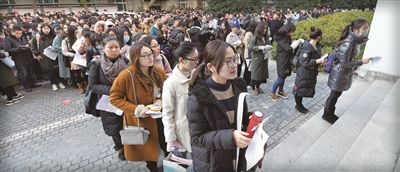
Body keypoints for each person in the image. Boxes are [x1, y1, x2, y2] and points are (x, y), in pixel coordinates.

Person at [187, 40, 256, 172]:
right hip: (215, 162)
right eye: (228, 61)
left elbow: (237, 118)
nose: (234, 65)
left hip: (239, 156)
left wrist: (251, 119)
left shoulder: (239, 86)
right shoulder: (198, 97)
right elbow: (197, 138)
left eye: (234, 59)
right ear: (211, 67)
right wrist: (230, 137)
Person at [110, 43, 167, 172]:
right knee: (149, 151)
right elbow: (114, 98)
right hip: (142, 120)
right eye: (145, 55)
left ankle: (172, 166)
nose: (150, 57)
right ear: (136, 58)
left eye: (150, 54)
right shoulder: (127, 75)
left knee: (167, 144)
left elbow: (167, 91)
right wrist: (135, 109)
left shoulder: (158, 71)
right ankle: (153, 168)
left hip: (161, 116)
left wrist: (160, 100)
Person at [88, 37, 129, 161]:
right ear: (103, 49)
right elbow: (93, 85)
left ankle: (130, 146)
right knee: (114, 127)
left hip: (125, 99)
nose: (114, 50)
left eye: (116, 47)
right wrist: (113, 90)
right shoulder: (96, 64)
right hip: (108, 102)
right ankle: (120, 148)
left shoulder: (125, 61)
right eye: (110, 47)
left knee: (126, 123)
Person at [323, 19, 371, 124]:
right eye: (364, 28)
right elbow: (345, 63)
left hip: (343, 72)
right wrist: (361, 62)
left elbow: (347, 61)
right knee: (334, 95)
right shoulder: (348, 43)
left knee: (336, 94)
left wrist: (353, 70)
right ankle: (327, 115)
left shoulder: (354, 41)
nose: (366, 31)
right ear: (355, 29)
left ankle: (329, 113)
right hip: (339, 73)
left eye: (367, 28)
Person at [162, 41, 198, 155]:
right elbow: (167, 113)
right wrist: (171, 138)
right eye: (194, 59)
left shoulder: (197, 75)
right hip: (182, 133)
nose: (197, 62)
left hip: (198, 128)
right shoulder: (170, 83)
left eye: (198, 59)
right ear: (182, 60)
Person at [293, 27, 325, 113]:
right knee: (299, 90)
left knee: (304, 89)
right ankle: (298, 106)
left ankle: (299, 105)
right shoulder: (306, 47)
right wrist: (317, 61)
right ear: (318, 36)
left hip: (311, 73)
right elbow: (305, 63)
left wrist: (321, 61)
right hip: (304, 73)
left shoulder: (317, 45)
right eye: (321, 35)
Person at [270, 22, 303, 101]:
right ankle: (272, 93)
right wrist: (295, 44)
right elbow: (288, 49)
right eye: (292, 31)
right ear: (288, 30)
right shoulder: (281, 37)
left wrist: (295, 42)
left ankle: (280, 91)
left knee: (283, 76)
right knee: (281, 77)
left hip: (286, 59)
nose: (293, 33)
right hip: (282, 60)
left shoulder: (286, 36)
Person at [3, 26, 35, 92]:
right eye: (17, 33)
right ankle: (26, 87)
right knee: (24, 73)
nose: (19, 35)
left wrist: (28, 46)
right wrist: (19, 49)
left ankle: (32, 84)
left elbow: (27, 44)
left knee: (30, 72)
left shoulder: (23, 37)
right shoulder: (8, 39)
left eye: (20, 33)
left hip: (27, 57)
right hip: (18, 59)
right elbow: (7, 49)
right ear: (12, 32)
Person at [249, 21, 272, 96]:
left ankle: (258, 87)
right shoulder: (255, 37)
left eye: (266, 28)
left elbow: (268, 43)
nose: (265, 30)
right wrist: (260, 47)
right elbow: (251, 47)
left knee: (262, 74)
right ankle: (255, 88)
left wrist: (269, 47)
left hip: (264, 57)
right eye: (264, 28)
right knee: (256, 74)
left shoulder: (266, 37)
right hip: (257, 58)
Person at [62, 25, 85, 93]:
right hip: (73, 58)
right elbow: (64, 52)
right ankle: (80, 86)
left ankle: (85, 84)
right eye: (75, 32)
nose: (76, 33)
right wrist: (74, 55)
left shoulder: (80, 38)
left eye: (77, 32)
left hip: (82, 56)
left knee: (84, 72)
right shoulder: (65, 40)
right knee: (77, 73)